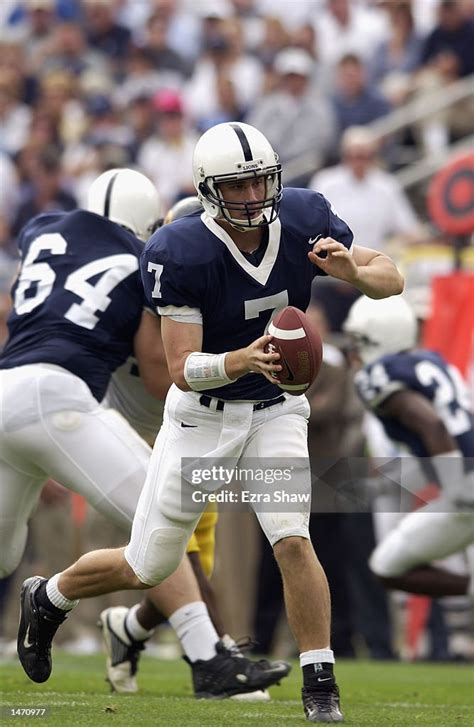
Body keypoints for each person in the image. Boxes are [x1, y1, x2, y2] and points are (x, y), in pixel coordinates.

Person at [17, 121, 404, 723]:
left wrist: (352, 270)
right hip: (202, 417)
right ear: (207, 190)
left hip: (277, 410)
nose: (252, 197)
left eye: (259, 182)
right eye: (237, 186)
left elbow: (392, 277)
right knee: (149, 565)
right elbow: (178, 368)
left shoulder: (304, 216)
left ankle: (320, 684)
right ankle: (50, 595)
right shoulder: (182, 250)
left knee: (292, 538)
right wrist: (242, 358)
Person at [1, 167, 287, 699]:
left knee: (2, 554)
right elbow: (160, 373)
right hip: (61, 399)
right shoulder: (145, 262)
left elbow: (23, 298)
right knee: (159, 527)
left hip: (7, 388)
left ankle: (138, 633)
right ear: (148, 222)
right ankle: (209, 660)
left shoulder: (44, 231)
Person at [101, 195, 277, 700]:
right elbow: (168, 378)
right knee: (174, 558)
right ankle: (219, 657)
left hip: (196, 430)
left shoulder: (213, 279)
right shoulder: (150, 286)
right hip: (149, 430)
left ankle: (129, 629)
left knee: (180, 559)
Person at [343, 295, 474, 598]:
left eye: (358, 339)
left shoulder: (377, 376)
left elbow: (431, 424)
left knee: (386, 567)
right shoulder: (431, 362)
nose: (352, 350)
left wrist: (457, 490)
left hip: (466, 485)